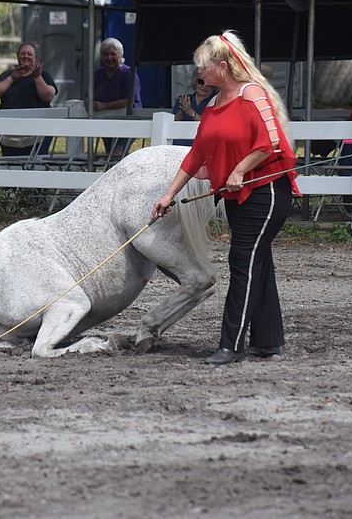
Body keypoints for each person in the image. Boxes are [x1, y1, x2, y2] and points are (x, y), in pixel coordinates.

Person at [152, 30, 300, 365]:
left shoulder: (254, 96)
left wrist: (238, 170)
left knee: (242, 260)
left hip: (266, 192)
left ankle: (231, 345)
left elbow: (271, 143)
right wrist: (168, 196)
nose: (198, 73)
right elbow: (195, 156)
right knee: (257, 261)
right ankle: (267, 341)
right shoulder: (213, 107)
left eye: (202, 67)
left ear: (222, 67)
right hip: (236, 198)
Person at [0, 42, 58, 156]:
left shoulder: (44, 75)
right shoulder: (7, 75)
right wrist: (12, 78)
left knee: (36, 168)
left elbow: (48, 96)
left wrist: (37, 77)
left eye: (29, 54)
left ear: (35, 58)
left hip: (39, 134)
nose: (25, 56)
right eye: (22, 53)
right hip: (10, 135)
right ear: (17, 57)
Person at [90, 37, 142, 154]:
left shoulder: (129, 73)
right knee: (110, 154)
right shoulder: (98, 74)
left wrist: (103, 106)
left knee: (116, 153)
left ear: (120, 55)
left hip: (128, 123)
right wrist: (89, 103)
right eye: (105, 54)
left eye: (112, 54)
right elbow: (88, 96)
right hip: (106, 123)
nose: (109, 58)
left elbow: (130, 101)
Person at [172, 73, 217, 146]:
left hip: (203, 146)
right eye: (201, 82)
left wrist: (191, 112)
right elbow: (172, 123)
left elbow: (212, 125)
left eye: (209, 84)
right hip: (179, 144)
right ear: (195, 82)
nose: (204, 86)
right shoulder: (183, 99)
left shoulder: (216, 102)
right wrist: (182, 111)